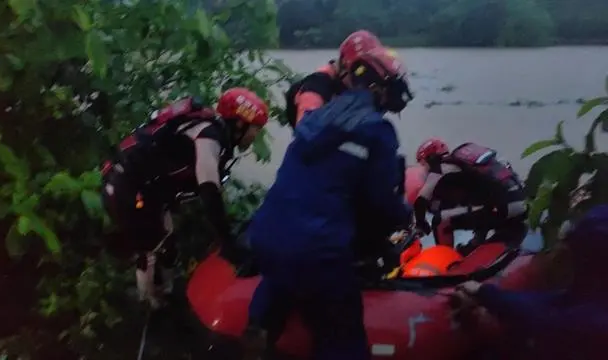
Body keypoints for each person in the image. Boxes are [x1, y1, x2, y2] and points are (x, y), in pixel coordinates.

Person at [244, 46, 414, 360]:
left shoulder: (314, 118)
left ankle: (257, 336)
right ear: (379, 89)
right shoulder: (378, 131)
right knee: (343, 335)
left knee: (276, 286)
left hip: (267, 236)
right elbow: (380, 204)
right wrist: (401, 222)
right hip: (318, 251)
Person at [100, 88, 269, 309]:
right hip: (125, 184)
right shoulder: (210, 136)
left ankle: (167, 294)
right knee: (151, 249)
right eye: (255, 129)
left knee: (167, 244)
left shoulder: (209, 129)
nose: (255, 135)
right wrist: (227, 241)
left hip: (145, 186)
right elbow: (209, 189)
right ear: (239, 124)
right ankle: (149, 305)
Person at [451, 204, 608, 360]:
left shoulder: (592, 321)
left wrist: (485, 294)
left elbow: (548, 318)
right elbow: (553, 304)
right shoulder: (589, 292)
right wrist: (486, 295)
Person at [413, 138, 528, 256]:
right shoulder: (470, 164)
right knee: (477, 207)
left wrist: (420, 223)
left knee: (440, 220)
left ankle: (445, 261)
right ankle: (475, 245)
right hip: (522, 203)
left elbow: (420, 201)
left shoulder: (441, 168)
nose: (424, 169)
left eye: (422, 164)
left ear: (431, 159)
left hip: (501, 208)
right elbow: (482, 198)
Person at [284, 30, 386, 128]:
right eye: (361, 71)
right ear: (344, 65)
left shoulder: (348, 86)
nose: (365, 80)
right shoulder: (316, 87)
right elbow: (305, 132)